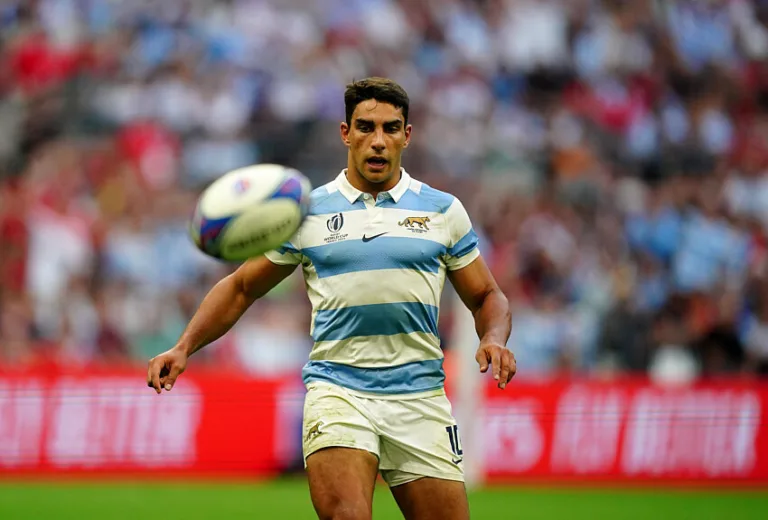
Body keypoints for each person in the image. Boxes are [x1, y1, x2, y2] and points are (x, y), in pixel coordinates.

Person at [146, 77, 515, 520]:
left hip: (420, 397)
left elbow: (486, 295)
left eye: (390, 128)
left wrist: (493, 338)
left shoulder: (442, 210)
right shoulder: (307, 212)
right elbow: (242, 287)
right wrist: (184, 346)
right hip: (339, 391)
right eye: (365, 127)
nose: (378, 141)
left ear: (406, 135)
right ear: (345, 133)